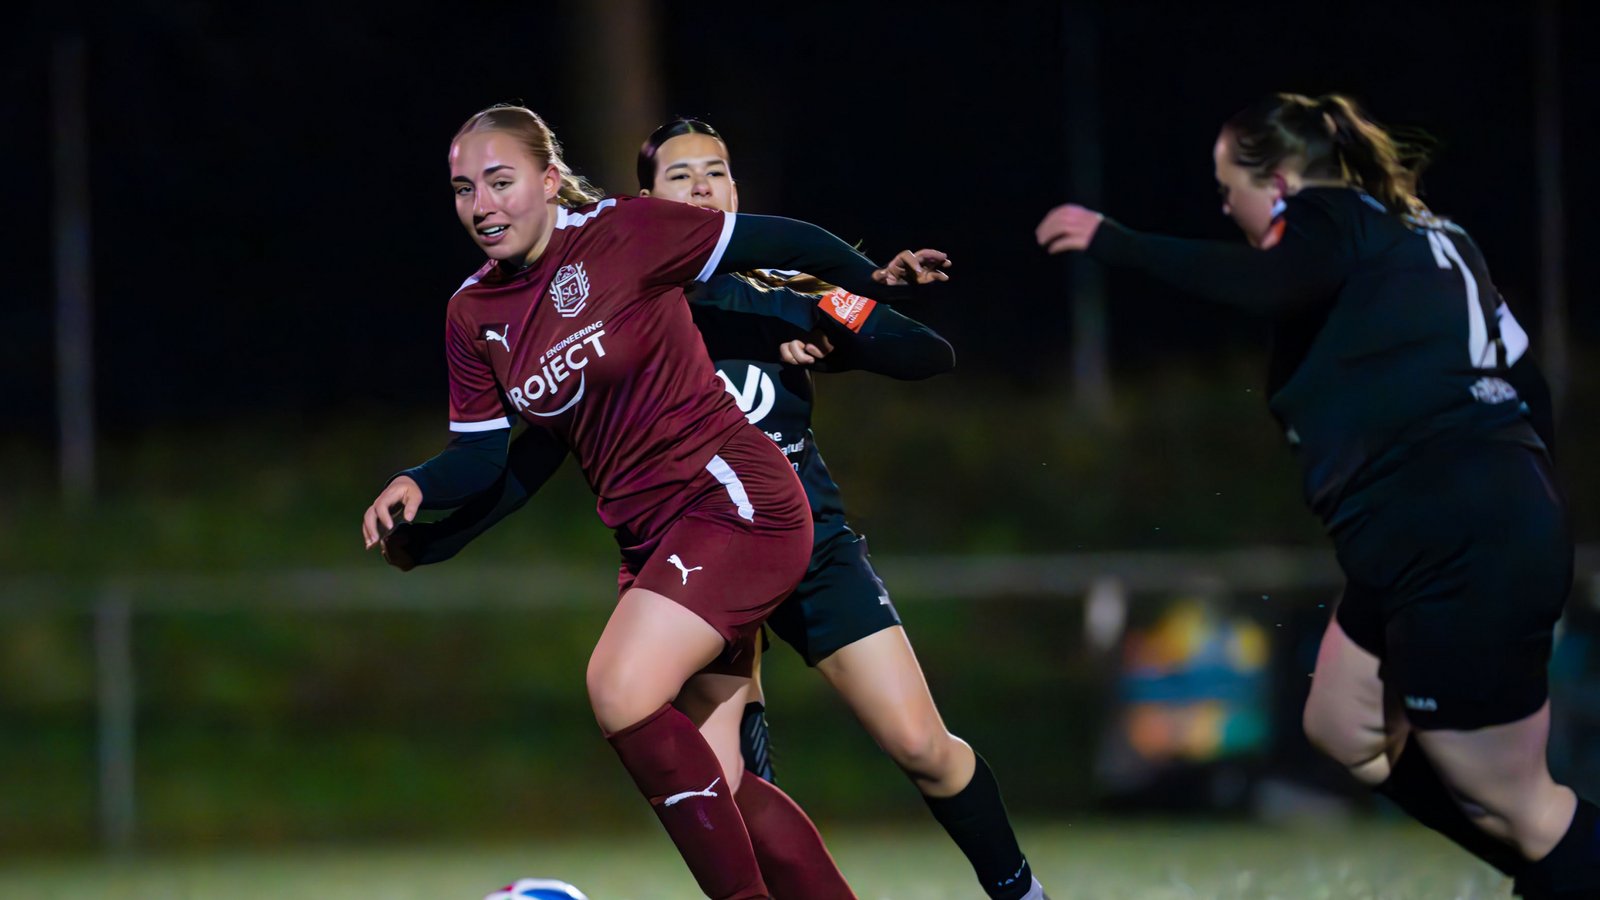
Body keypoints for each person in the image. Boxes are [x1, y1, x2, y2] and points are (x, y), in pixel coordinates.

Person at [383, 118, 1049, 900]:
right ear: (651, 200)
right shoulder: (613, 300)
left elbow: (924, 354)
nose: (701, 189)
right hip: (689, 546)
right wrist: (433, 530)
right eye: (681, 177)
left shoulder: (774, 299)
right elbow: (521, 457)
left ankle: (1020, 892)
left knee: (918, 744)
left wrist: (847, 320)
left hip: (783, 529)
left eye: (716, 173)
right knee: (720, 780)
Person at [1036, 92, 1594, 898]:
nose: (1224, 203)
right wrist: (1522, 503)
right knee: (1344, 725)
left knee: (1518, 804)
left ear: (1285, 180)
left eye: (1230, 184)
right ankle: (1560, 869)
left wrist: (1113, 241)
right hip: (1458, 521)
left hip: (1450, 532)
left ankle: (1565, 864)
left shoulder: (1327, 220)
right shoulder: (1435, 236)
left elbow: (1274, 285)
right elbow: (1528, 388)